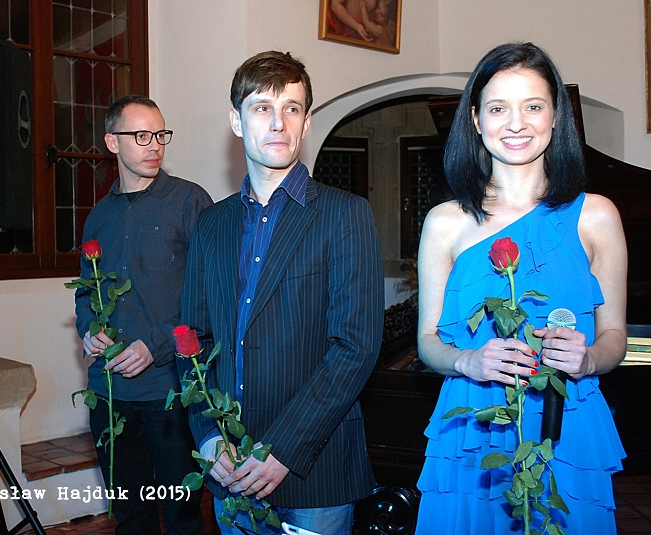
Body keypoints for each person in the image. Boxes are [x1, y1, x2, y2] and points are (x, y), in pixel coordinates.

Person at [414, 42, 627, 533]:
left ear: (556, 116)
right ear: (475, 119)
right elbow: (428, 342)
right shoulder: (445, 223)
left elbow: (615, 336)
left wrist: (588, 359)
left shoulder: (597, 216)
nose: (516, 124)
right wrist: (468, 360)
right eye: (498, 108)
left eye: (533, 106)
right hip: (471, 430)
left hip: (567, 425)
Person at [179, 51, 385, 535]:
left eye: (291, 108)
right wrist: (208, 434)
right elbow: (193, 340)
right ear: (237, 121)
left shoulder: (345, 214)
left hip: (316, 471)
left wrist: (284, 449)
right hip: (231, 469)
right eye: (262, 108)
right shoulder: (211, 224)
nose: (278, 122)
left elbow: (355, 347)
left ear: (306, 122)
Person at [75, 94, 213, 535]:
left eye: (159, 134)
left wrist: (155, 345)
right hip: (109, 392)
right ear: (112, 142)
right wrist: (87, 330)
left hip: (170, 390)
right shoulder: (99, 216)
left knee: (182, 516)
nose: (154, 145)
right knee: (130, 516)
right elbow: (87, 291)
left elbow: (210, 298)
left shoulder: (190, 202)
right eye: (141, 135)